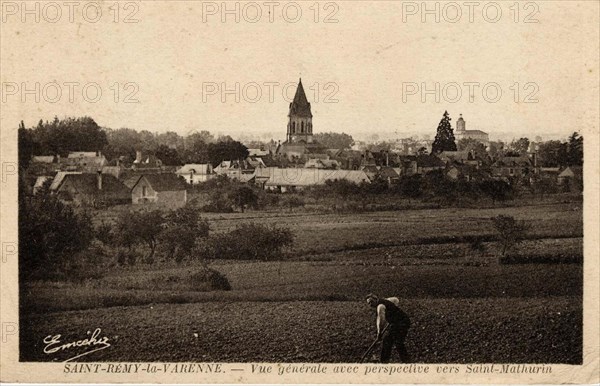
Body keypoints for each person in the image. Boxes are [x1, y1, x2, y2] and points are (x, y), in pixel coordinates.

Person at [366, 293, 411, 363]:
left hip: (401, 323)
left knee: (395, 342)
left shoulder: (380, 306)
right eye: (368, 303)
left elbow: (381, 320)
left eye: (371, 302)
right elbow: (396, 300)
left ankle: (404, 361)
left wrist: (379, 333)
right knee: (391, 341)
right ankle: (405, 361)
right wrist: (392, 309)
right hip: (398, 322)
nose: (370, 305)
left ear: (376, 299)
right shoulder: (385, 301)